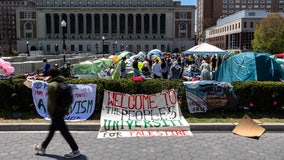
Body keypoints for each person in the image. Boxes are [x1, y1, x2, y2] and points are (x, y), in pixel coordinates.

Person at [34, 67, 80, 158]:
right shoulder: (63, 82)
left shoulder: (52, 85)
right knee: (52, 130)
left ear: (50, 75)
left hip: (56, 112)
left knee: (64, 131)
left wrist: (51, 114)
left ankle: (75, 150)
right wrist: (66, 109)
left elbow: (51, 103)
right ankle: (43, 147)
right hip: (62, 110)